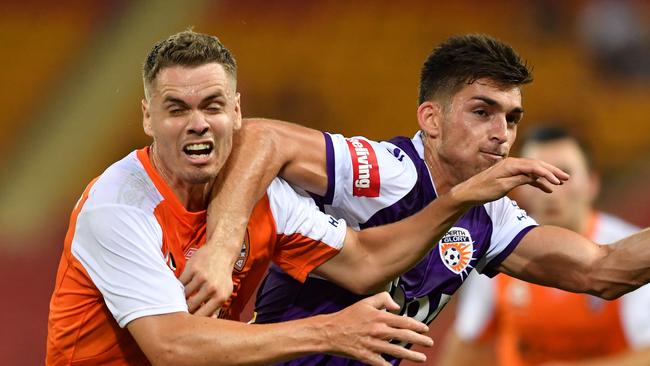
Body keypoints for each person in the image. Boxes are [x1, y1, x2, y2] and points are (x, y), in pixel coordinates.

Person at [45, 30, 566, 365]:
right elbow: (174, 346)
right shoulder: (119, 207)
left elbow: (363, 263)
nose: (198, 122)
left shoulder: (270, 197)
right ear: (147, 118)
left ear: (237, 112)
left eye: (213, 105)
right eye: (176, 108)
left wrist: (459, 198)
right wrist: (332, 331)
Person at [191, 34, 650, 365]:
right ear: (431, 119)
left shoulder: (490, 214)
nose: (502, 134)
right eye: (482, 111)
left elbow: (600, 269)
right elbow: (261, 136)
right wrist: (220, 248)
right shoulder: (386, 171)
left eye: (511, 119)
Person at [440, 126, 650, 366]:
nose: (551, 190)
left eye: (565, 173)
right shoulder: (499, 248)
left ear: (592, 183)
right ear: (517, 187)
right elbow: (467, 345)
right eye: (535, 176)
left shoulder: (628, 253)